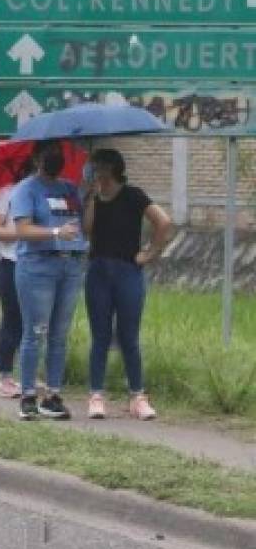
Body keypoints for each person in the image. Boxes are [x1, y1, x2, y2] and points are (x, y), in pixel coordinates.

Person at [83, 149, 173, 421]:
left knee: (128, 336)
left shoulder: (133, 194)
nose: (97, 170)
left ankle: (138, 396)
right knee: (99, 336)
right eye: (94, 165)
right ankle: (96, 395)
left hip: (128, 271)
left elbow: (163, 221)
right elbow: (88, 230)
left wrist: (150, 253)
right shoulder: (94, 197)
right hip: (98, 268)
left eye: (101, 165)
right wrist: (92, 195)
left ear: (114, 167)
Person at [10, 139, 88, 422]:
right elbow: (23, 229)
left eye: (58, 154)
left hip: (70, 265)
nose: (55, 158)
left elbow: (83, 224)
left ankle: (52, 396)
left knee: (59, 335)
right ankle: (28, 396)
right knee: (36, 332)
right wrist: (55, 233)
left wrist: (90, 194)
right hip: (38, 266)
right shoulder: (26, 189)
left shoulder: (69, 188)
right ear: (36, 158)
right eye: (48, 154)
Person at [0, 160, 33, 399]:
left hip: (40, 265)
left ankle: (28, 374)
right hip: (12, 264)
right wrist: (22, 233)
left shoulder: (48, 195)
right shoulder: (5, 195)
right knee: (13, 319)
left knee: (34, 323)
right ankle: (5, 376)